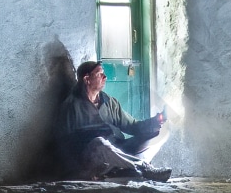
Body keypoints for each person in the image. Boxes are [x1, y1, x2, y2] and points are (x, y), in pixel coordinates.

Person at [46, 51, 171, 182]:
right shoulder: (71, 106)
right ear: (87, 79)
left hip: (118, 149)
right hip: (93, 158)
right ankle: (142, 168)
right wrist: (76, 172)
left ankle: (125, 168)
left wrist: (156, 122)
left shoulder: (109, 102)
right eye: (100, 74)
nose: (105, 77)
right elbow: (64, 143)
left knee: (159, 133)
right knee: (100, 143)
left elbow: (132, 126)